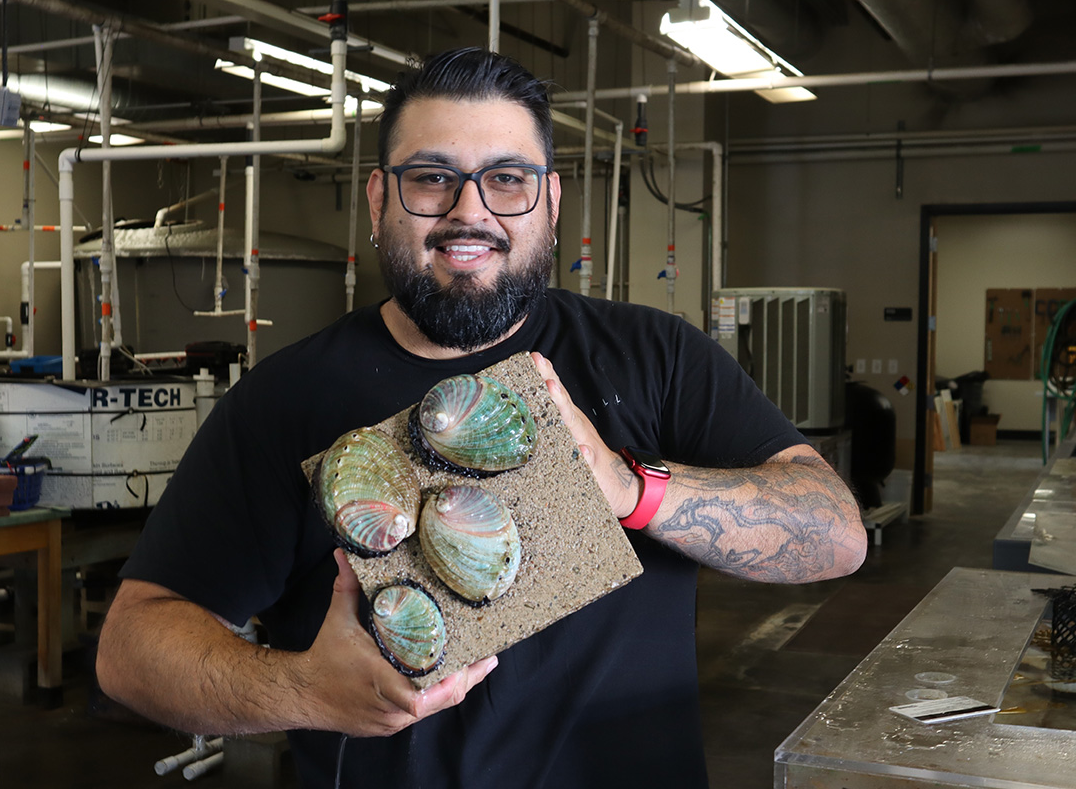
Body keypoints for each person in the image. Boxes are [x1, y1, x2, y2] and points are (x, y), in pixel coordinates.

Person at [96, 47, 865, 787]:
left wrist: (634, 491)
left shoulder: (655, 356)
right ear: (378, 199)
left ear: (550, 203)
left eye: (506, 179)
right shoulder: (283, 401)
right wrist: (302, 690)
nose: (470, 213)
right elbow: (131, 649)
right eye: (432, 178)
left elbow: (838, 534)